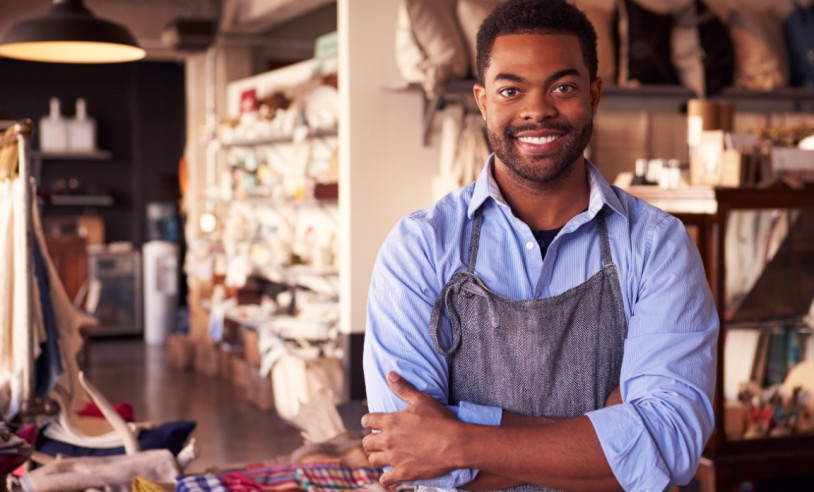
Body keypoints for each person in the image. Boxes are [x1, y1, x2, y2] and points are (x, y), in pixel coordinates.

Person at [361, 0, 718, 490]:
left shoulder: (657, 245)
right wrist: (612, 440)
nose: (538, 110)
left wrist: (458, 441)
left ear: (593, 96)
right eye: (511, 90)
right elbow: (405, 457)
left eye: (563, 87)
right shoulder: (420, 246)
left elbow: (670, 441)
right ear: (483, 101)